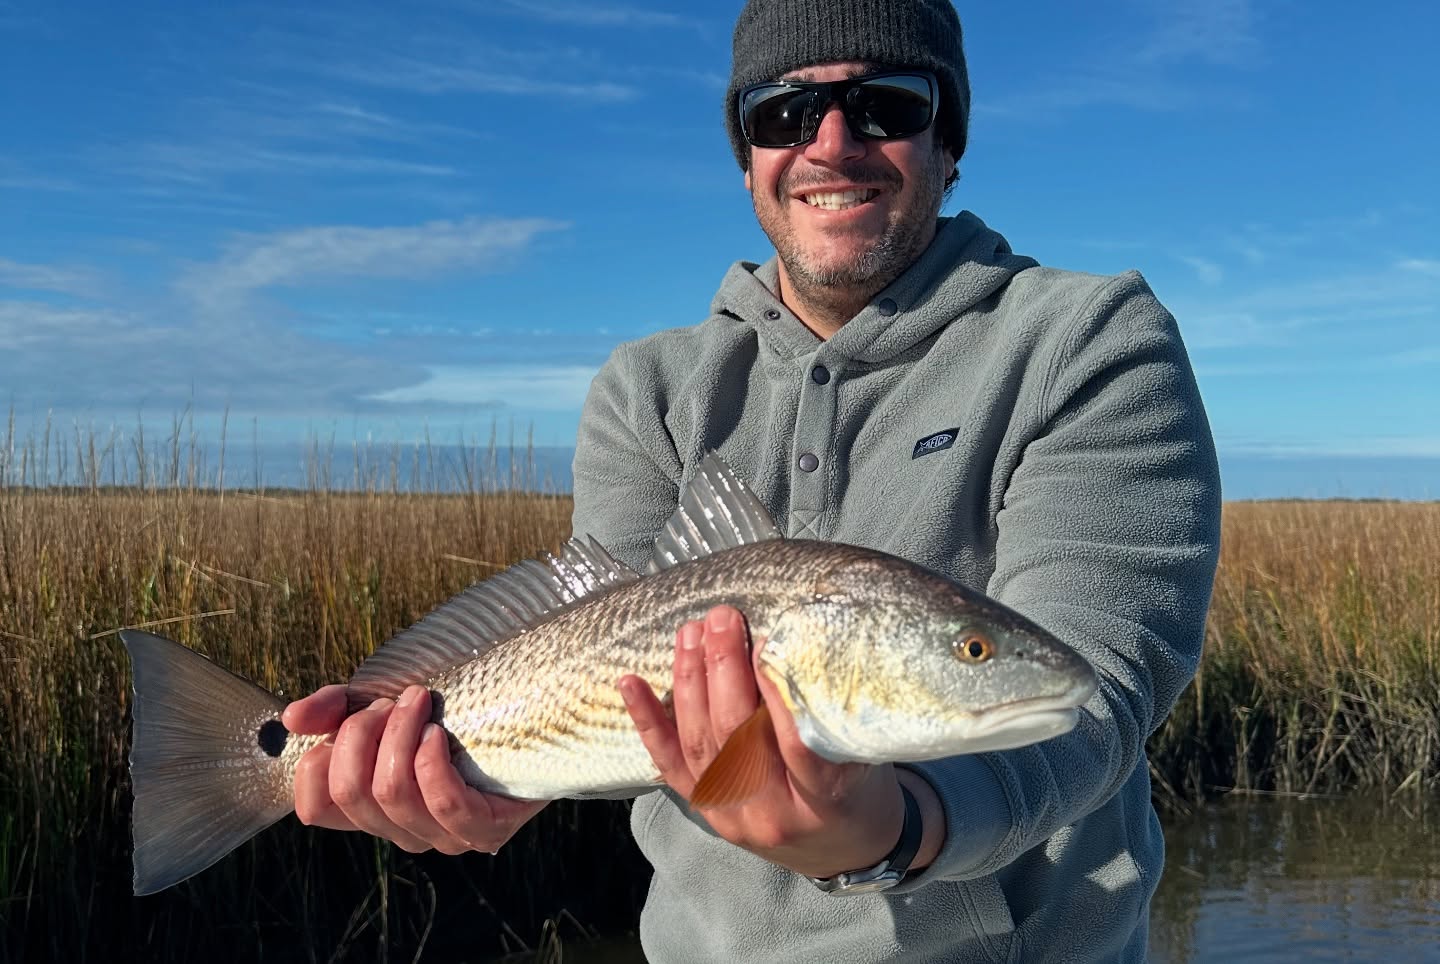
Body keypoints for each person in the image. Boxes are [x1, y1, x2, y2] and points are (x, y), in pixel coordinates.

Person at [283, 0, 1222, 959]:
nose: (831, 144)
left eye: (886, 105)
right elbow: (596, 650)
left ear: (951, 141)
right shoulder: (647, 388)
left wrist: (889, 827)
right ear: (746, 158)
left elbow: (1095, 684)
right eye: (782, 114)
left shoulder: (1089, 339)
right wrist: (477, 783)